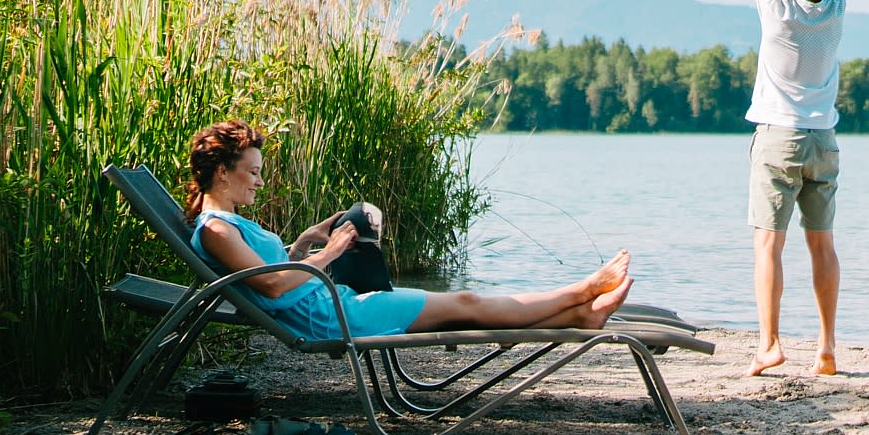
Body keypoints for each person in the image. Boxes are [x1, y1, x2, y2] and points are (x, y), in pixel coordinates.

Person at [184, 120, 633, 339]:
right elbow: (272, 286)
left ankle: (580, 315)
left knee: (463, 307)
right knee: (466, 303)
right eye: (253, 172)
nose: (260, 182)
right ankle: (581, 291)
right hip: (330, 318)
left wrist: (303, 242)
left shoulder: (228, 226)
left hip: (333, 304)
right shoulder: (217, 231)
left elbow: (270, 273)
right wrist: (331, 252)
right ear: (222, 172)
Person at [743, 0, 845, 376]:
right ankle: (826, 348)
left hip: (779, 139)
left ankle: (770, 344)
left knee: (769, 244)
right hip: (823, 142)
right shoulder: (836, 9)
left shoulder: (778, 9)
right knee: (821, 244)